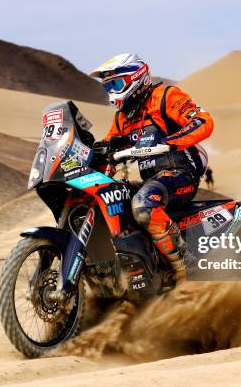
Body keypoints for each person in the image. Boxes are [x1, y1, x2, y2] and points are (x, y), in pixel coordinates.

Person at [90, 53, 214, 282]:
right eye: (108, 87)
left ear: (134, 78)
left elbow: (204, 122)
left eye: (115, 85)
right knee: (111, 199)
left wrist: (169, 142)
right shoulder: (123, 118)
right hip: (153, 181)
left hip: (181, 174)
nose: (112, 92)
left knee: (143, 203)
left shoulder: (165, 97)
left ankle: (186, 269)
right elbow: (109, 149)